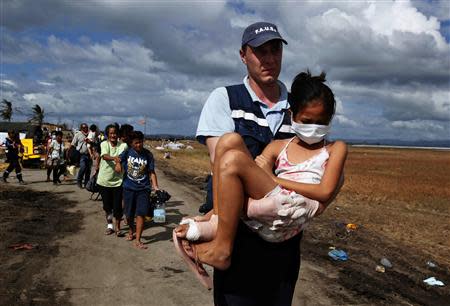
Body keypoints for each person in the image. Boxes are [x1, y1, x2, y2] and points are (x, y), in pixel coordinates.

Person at [183, 22, 336, 305]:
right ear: (243, 55)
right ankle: (223, 249)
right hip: (238, 232)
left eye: (275, 50)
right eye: (260, 51)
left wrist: (322, 197)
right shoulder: (225, 99)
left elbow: (319, 163)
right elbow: (222, 168)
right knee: (230, 148)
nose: (269, 58)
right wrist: (250, 208)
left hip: (284, 237)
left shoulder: (302, 108)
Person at [176, 71, 347, 275]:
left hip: (290, 213)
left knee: (234, 160)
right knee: (229, 141)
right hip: (272, 200)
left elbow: (324, 192)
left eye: (321, 122)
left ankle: (222, 249)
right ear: (292, 114)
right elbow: (256, 175)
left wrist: (277, 179)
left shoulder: (334, 149)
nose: (314, 128)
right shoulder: (279, 146)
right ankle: (216, 221)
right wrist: (212, 211)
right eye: (307, 121)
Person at [115, 131, 160, 249]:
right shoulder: (128, 152)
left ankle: (138, 240)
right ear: (131, 143)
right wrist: (118, 165)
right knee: (128, 215)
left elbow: (151, 172)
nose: (139, 145)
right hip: (128, 188)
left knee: (141, 214)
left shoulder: (148, 155)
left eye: (140, 142)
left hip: (144, 189)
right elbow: (118, 159)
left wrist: (156, 187)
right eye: (136, 143)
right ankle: (131, 230)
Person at [97, 124, 128, 236]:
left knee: (118, 207)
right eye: (111, 133)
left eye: (115, 133)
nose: (113, 135)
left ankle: (118, 228)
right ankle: (110, 226)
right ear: (107, 135)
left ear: (118, 134)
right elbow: (104, 156)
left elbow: (124, 157)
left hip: (118, 182)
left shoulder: (123, 146)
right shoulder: (104, 144)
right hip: (104, 181)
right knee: (107, 207)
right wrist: (116, 160)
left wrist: (119, 161)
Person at [71, 123, 91, 188]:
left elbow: (94, 142)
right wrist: (72, 154)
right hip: (81, 154)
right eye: (84, 127)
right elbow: (73, 144)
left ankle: (86, 183)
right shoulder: (78, 134)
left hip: (89, 155)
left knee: (88, 170)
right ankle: (79, 180)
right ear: (81, 128)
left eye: (86, 127)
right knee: (83, 167)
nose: (85, 129)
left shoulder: (90, 134)